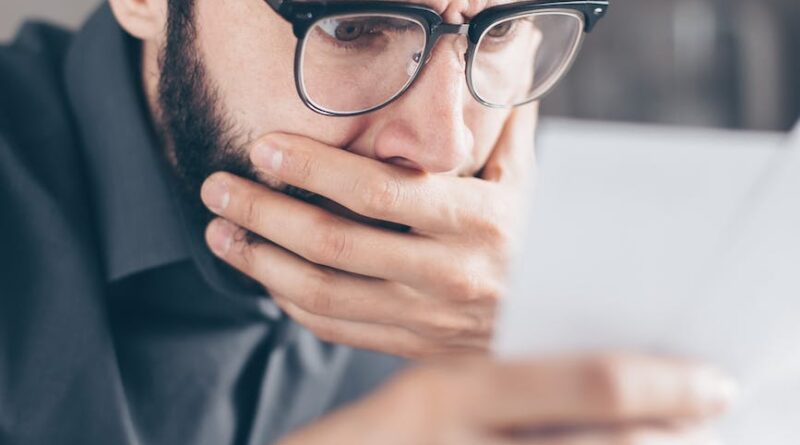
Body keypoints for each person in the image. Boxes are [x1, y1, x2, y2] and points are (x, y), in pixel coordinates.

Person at [0, 0, 735, 443]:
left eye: (503, 29)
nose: (443, 146)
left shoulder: (554, 269)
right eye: (352, 27)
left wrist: (548, 328)